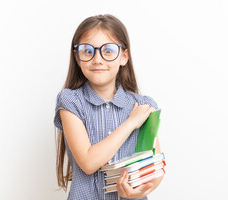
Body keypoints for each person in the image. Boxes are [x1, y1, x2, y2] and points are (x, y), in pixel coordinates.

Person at [54, 14, 164, 200]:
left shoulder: (144, 106)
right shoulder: (70, 101)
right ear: (77, 56)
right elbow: (89, 162)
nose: (97, 59)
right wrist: (130, 123)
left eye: (108, 51)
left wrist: (140, 191)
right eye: (88, 51)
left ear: (124, 56)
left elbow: (155, 167)